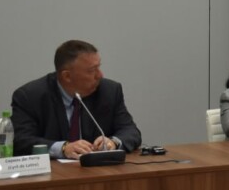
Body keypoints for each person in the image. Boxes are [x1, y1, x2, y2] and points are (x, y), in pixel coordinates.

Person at [11, 39, 141, 157]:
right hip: (52, 173)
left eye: (99, 67)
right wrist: (63, 148)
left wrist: (113, 142)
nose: (100, 75)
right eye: (92, 70)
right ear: (67, 76)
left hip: (97, 171)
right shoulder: (29, 97)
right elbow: (20, 140)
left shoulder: (109, 91)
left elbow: (130, 131)